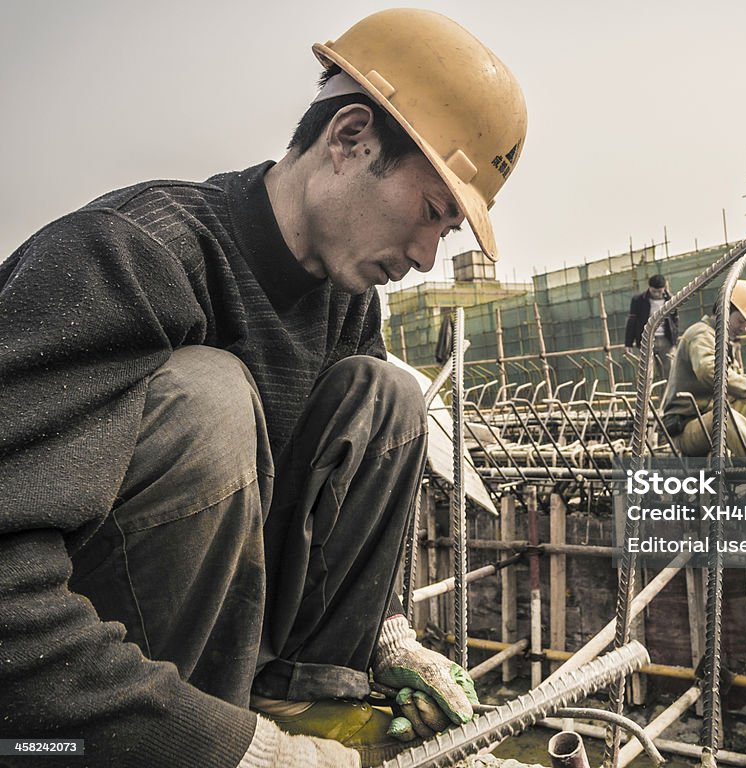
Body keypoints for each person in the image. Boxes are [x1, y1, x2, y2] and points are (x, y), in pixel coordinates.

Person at [0, 9, 526, 768]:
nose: (423, 256)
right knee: (209, 400)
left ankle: (304, 701)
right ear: (349, 139)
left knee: (389, 397)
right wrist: (237, 753)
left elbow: (329, 495)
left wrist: (388, 637)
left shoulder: (347, 301)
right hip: (59, 721)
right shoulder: (134, 254)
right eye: (431, 215)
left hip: (225, 666)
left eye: (444, 236)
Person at [661, 280, 746, 457]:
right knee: (723, 416)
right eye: (741, 321)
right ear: (724, 311)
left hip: (709, 416)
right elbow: (709, 371)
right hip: (687, 428)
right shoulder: (700, 334)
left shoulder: (722, 341)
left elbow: (733, 381)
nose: (745, 328)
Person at [624, 274, 679, 379]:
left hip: (666, 340)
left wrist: (674, 339)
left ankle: (666, 395)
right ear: (649, 288)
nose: (657, 294)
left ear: (664, 288)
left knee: (669, 373)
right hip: (647, 340)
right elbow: (632, 321)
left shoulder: (671, 300)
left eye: (660, 291)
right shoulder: (639, 300)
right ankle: (646, 395)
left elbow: (675, 320)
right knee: (646, 374)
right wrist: (628, 343)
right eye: (654, 291)